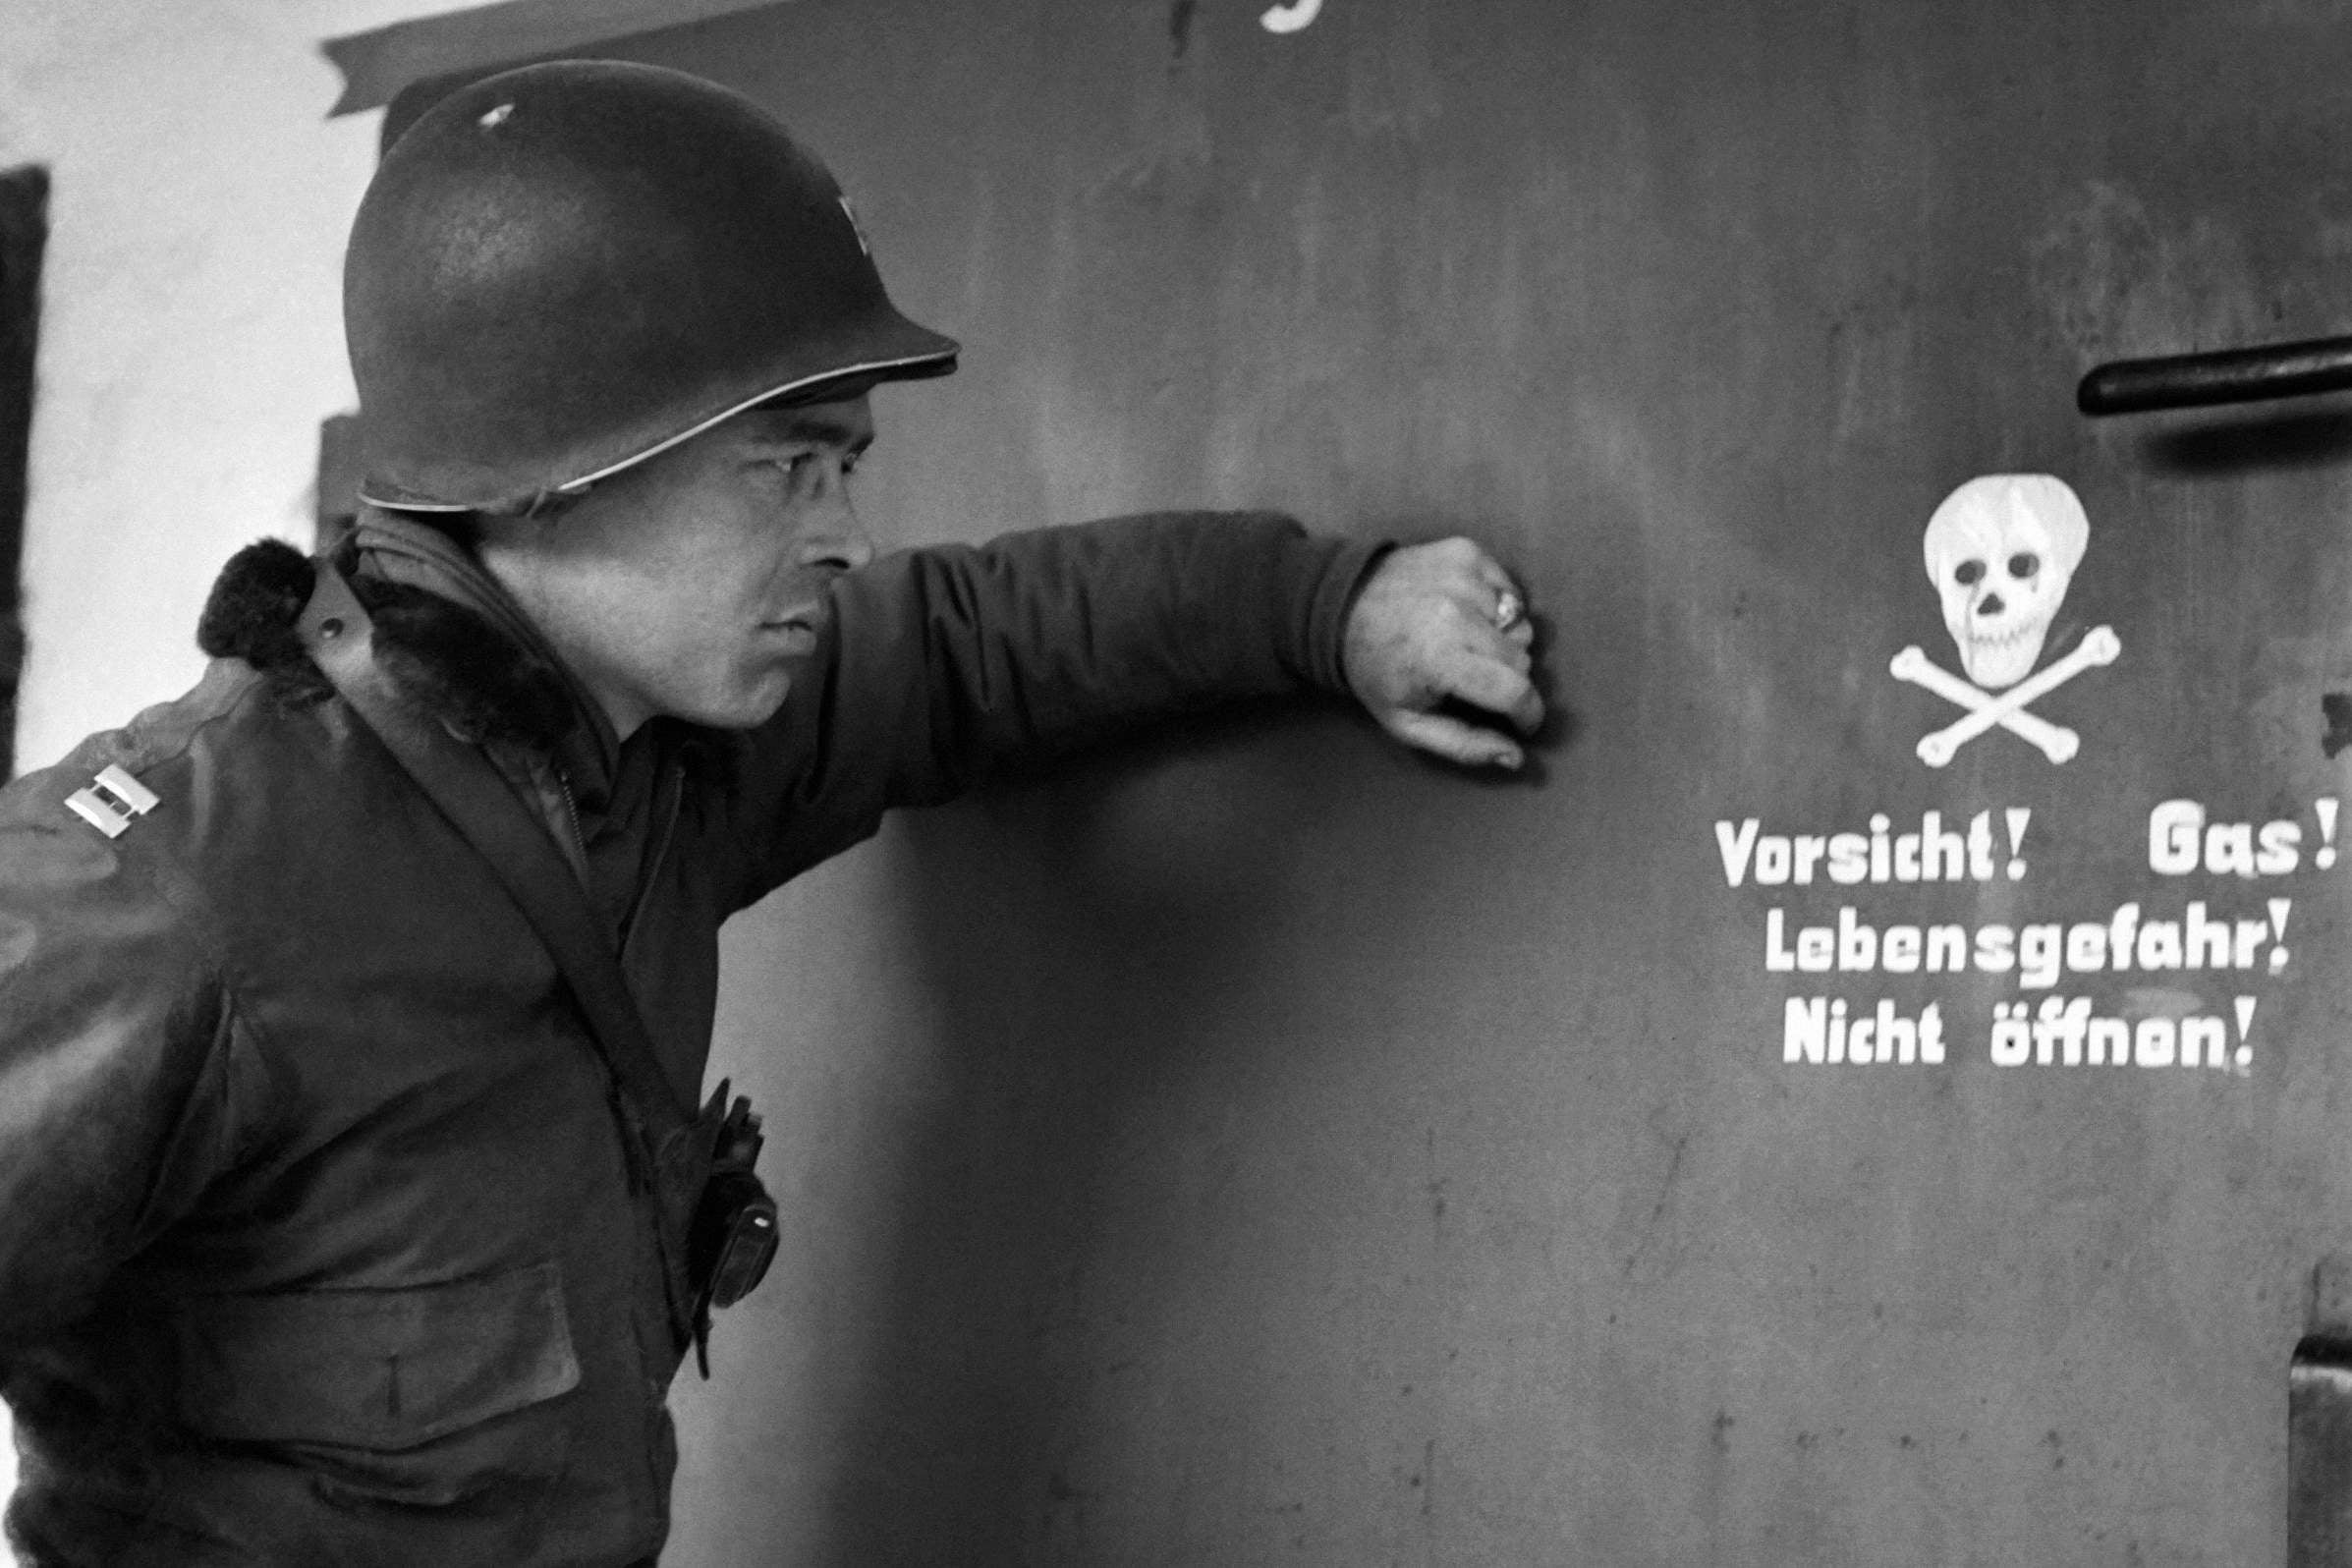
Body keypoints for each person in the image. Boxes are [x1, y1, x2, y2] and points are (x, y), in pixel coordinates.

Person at [0, 60, 1541, 1568]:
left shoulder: (657, 757)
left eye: (847, 467)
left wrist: (1323, 608)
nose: (842, 533)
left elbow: (961, 645)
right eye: (785, 472)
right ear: (556, 470)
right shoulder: (173, 890)